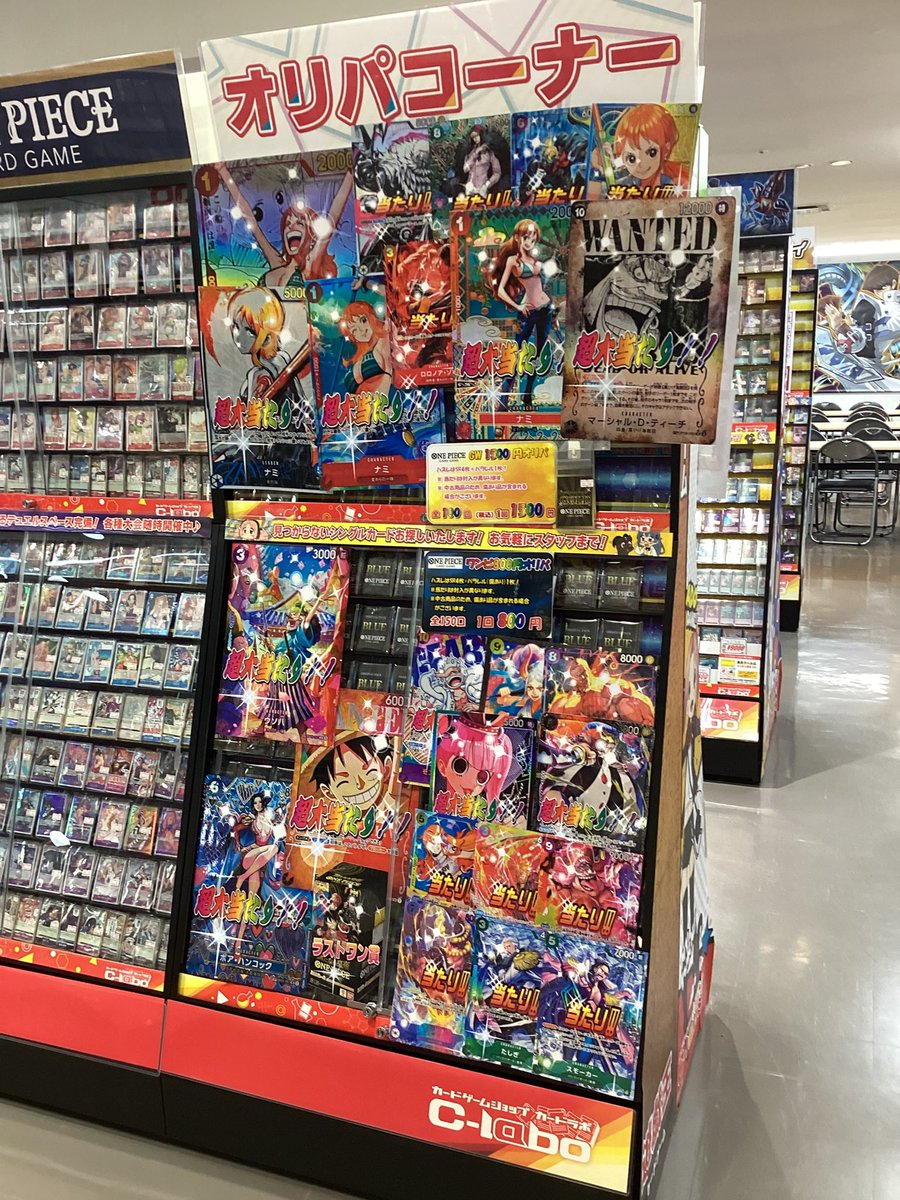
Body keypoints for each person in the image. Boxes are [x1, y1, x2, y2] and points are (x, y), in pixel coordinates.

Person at [216, 161, 353, 288]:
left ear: (311, 237)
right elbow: (250, 218)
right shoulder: (276, 262)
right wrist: (223, 172)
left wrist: (350, 175)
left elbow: (334, 214)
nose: (291, 227)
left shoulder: (310, 265)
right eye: (288, 223)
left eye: (299, 223)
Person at [494, 218, 557, 409]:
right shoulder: (513, 261)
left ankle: (527, 397)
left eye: (533, 239)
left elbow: (542, 285)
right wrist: (517, 306)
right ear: (517, 238)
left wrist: (553, 314)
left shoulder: (535, 260)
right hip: (528, 312)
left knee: (536, 356)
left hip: (545, 309)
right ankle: (503, 400)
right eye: (526, 238)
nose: (529, 242)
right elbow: (500, 290)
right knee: (516, 354)